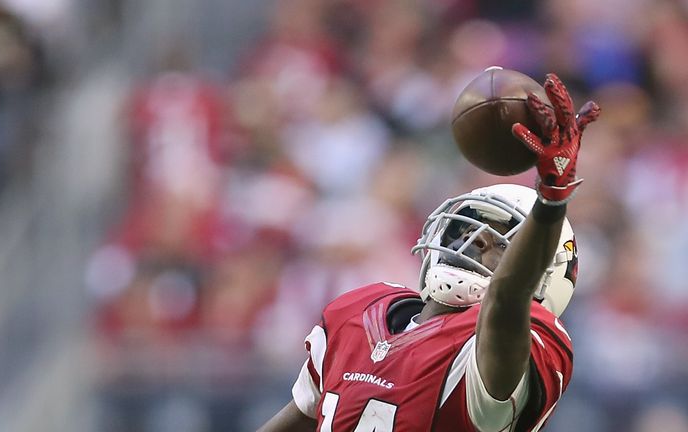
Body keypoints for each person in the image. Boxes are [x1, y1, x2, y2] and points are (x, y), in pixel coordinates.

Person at [257, 73, 600, 432]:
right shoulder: (357, 315)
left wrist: (550, 200)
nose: (475, 242)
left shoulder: (504, 351)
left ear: (540, 274)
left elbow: (506, 300)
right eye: (466, 229)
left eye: (501, 241)